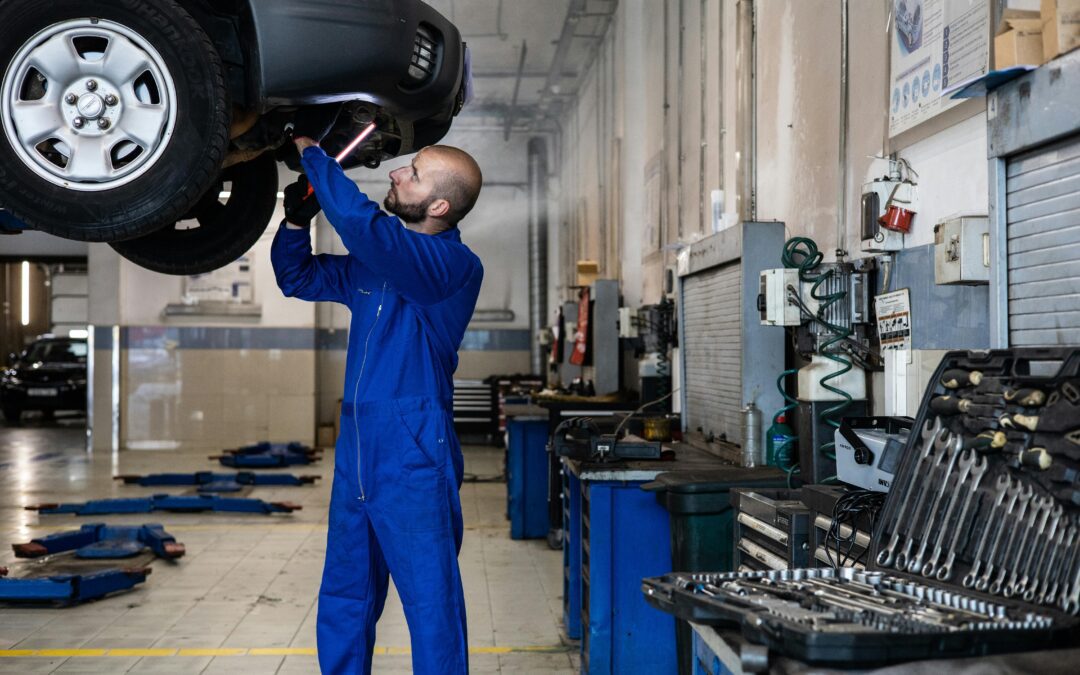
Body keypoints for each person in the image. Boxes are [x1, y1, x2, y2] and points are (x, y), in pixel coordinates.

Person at [271, 113, 483, 674]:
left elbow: (367, 228)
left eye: (412, 173)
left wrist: (314, 153)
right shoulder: (377, 264)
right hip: (359, 452)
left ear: (439, 207)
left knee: (430, 605)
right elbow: (299, 279)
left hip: (414, 455)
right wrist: (293, 225)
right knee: (345, 595)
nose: (396, 173)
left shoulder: (452, 266)